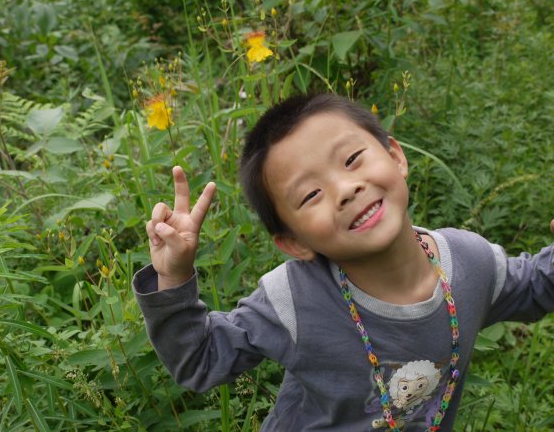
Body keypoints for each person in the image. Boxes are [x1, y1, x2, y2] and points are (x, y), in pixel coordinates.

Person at [132, 93, 554, 431]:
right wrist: (174, 274)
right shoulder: (293, 300)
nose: (345, 189)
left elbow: (538, 284)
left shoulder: (470, 263)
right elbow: (201, 361)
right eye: (311, 195)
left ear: (395, 156)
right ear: (294, 242)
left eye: (352, 160)